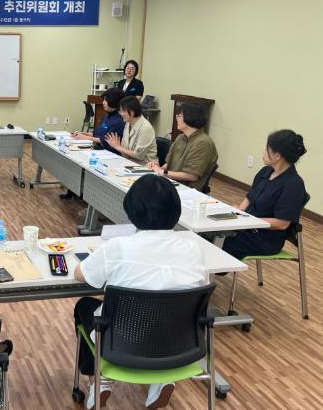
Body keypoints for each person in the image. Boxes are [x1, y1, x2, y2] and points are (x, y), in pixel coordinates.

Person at [73, 175, 208, 409]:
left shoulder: (118, 247)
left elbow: (81, 274)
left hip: (122, 343)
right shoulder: (193, 248)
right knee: (164, 311)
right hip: (178, 343)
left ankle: (99, 381)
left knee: (84, 305)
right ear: (176, 211)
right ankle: (162, 378)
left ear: (132, 212)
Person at [222, 130, 307, 260]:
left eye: (267, 149)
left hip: (264, 239)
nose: (263, 151)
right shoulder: (266, 171)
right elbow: (250, 197)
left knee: (219, 242)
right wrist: (238, 211)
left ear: (277, 156)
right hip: (246, 227)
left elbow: (282, 223)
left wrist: (249, 220)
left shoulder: (293, 184)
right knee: (208, 233)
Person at [147, 102, 217, 191]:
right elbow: (169, 164)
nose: (177, 119)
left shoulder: (203, 143)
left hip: (186, 189)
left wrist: (163, 172)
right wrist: (156, 167)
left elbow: (192, 176)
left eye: (179, 116)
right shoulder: (181, 138)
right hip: (170, 182)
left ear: (190, 117)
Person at [104, 96, 158, 165]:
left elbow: (138, 155)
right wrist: (118, 146)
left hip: (145, 166)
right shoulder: (128, 123)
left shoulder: (145, 128)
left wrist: (117, 146)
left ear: (133, 111)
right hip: (129, 163)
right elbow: (125, 149)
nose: (121, 114)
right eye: (120, 111)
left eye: (123, 111)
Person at [72, 88, 125, 153]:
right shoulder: (106, 117)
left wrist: (87, 138)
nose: (103, 103)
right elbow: (96, 134)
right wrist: (83, 134)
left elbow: (107, 141)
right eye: (103, 100)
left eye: (106, 100)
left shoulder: (119, 121)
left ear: (115, 101)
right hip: (97, 150)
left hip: (108, 153)